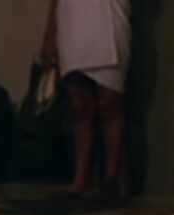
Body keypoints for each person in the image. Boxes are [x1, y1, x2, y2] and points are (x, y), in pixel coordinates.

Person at [41, 0, 131, 198]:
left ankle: (112, 178)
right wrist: (50, 31)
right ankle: (81, 180)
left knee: (109, 101)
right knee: (79, 104)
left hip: (108, 13)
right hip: (72, 15)